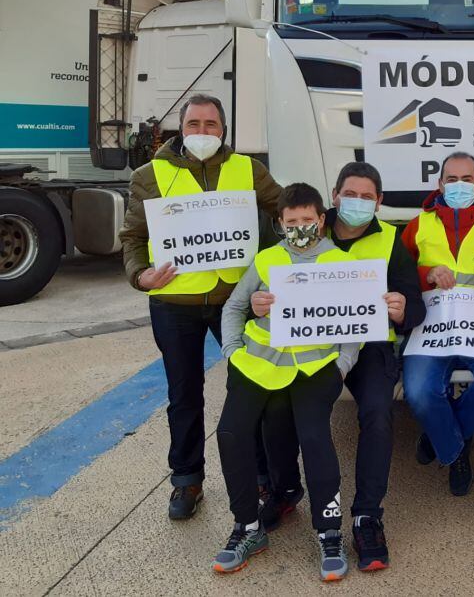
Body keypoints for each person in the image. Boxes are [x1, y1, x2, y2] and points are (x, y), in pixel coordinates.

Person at [254, 162, 425, 572]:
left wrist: (402, 310)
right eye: (351, 194)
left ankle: (367, 516)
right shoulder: (308, 225)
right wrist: (260, 304)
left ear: (380, 203)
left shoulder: (391, 241)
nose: (358, 202)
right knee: (275, 409)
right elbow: (266, 275)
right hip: (309, 344)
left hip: (369, 348)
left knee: (378, 415)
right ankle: (286, 489)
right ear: (334, 196)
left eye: (368, 197)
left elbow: (415, 305)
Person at [118, 93, 281, 520]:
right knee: (184, 394)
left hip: (236, 301)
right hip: (175, 302)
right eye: (194, 125)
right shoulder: (149, 175)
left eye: (211, 125)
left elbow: (287, 211)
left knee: (252, 389)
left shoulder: (248, 169)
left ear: (223, 130)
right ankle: (187, 481)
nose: (203, 133)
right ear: (181, 129)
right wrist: (141, 276)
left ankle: (262, 476)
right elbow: (133, 238)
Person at [212, 183, 352, 581]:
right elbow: (234, 307)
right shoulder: (266, 260)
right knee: (231, 434)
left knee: (315, 437)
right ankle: (248, 528)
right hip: (257, 363)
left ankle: (329, 531)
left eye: (308, 220)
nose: (300, 227)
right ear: (280, 224)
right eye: (292, 222)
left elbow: (354, 322)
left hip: (312, 368)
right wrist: (232, 352)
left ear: (322, 220)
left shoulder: (338, 262)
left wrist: (342, 364)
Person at [400, 152, 474, 496]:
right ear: (439, 185)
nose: (459, 186)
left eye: (467, 179)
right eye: (452, 179)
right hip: (430, 332)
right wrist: (428, 274)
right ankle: (456, 448)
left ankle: (441, 437)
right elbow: (399, 278)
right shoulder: (418, 225)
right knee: (419, 393)